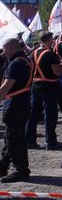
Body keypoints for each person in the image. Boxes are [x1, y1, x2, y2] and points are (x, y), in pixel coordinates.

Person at [26, 32, 62, 150]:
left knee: (33, 114)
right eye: (52, 40)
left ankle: (29, 140)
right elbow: (57, 72)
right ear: (49, 40)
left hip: (35, 85)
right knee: (50, 114)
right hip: (48, 86)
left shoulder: (32, 53)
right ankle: (51, 141)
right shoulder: (50, 54)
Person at [0, 38, 33, 183]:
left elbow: (6, 87)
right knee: (10, 137)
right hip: (21, 102)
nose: (3, 52)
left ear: (11, 48)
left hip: (15, 104)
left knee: (15, 139)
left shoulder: (16, 63)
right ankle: (3, 165)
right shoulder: (25, 60)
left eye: (4, 49)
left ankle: (21, 170)